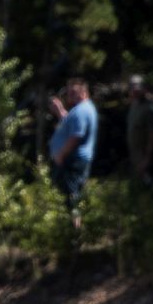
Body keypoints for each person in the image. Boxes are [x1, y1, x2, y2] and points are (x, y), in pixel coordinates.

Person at [47, 77, 98, 211]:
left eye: (74, 92)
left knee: (70, 197)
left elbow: (76, 136)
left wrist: (61, 154)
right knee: (69, 195)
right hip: (74, 159)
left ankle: (74, 222)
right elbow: (70, 124)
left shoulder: (81, 111)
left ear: (84, 92)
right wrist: (59, 111)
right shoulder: (81, 109)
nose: (70, 95)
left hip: (73, 160)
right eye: (69, 92)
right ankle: (74, 219)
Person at [126, 75, 153, 185]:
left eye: (137, 88)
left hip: (146, 158)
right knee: (138, 186)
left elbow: (152, 134)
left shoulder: (150, 108)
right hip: (135, 156)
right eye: (132, 88)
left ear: (144, 89)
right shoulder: (134, 105)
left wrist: (147, 158)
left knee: (150, 186)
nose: (134, 90)